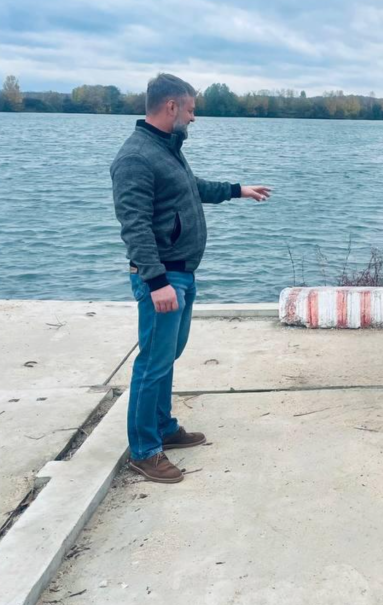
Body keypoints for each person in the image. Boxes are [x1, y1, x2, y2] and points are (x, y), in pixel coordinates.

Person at [111, 73, 271, 484]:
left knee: (167, 357)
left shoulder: (167, 149)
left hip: (182, 273)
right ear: (171, 107)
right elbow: (135, 226)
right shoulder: (136, 157)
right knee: (152, 363)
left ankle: (164, 427)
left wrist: (237, 189)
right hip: (164, 279)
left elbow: (190, 188)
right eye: (191, 109)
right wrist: (156, 281)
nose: (194, 117)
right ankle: (144, 451)